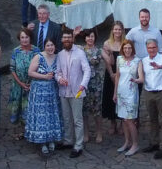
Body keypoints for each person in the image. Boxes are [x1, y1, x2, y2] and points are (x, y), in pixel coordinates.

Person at [138, 37, 162, 158]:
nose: (152, 49)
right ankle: (154, 143)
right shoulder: (144, 60)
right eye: (149, 48)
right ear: (146, 48)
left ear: (157, 47)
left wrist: (161, 66)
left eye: (154, 47)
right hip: (149, 92)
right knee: (152, 119)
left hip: (161, 92)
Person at [54, 28, 91, 158]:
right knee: (66, 118)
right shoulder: (59, 55)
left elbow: (87, 70)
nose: (67, 40)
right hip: (64, 91)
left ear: (72, 39)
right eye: (65, 38)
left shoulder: (80, 53)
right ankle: (68, 141)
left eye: (69, 38)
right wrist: (59, 79)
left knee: (77, 120)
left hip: (77, 91)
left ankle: (78, 145)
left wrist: (83, 84)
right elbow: (57, 72)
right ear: (62, 40)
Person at [25, 38, 65, 154]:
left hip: (53, 91)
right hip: (39, 92)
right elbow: (30, 72)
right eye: (48, 45)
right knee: (42, 115)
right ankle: (42, 142)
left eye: (52, 45)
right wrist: (44, 77)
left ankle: (51, 139)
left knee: (52, 115)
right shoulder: (38, 56)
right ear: (44, 47)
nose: (50, 48)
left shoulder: (57, 57)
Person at [114, 38, 141, 156]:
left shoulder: (137, 61)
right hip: (121, 93)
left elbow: (142, 78)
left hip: (131, 94)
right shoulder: (119, 60)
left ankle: (135, 144)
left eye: (129, 48)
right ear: (122, 49)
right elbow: (117, 77)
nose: (127, 50)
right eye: (125, 48)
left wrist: (136, 80)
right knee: (124, 120)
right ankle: (127, 142)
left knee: (130, 120)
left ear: (132, 49)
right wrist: (115, 93)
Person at [79, 29, 106, 145]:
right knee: (84, 109)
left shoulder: (99, 51)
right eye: (88, 37)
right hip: (84, 83)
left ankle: (99, 132)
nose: (90, 38)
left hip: (96, 83)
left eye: (92, 36)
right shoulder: (80, 50)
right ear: (85, 38)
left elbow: (108, 60)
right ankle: (86, 133)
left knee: (97, 109)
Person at [100, 23, 127, 126]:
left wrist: (119, 74)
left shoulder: (125, 42)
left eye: (119, 29)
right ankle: (113, 123)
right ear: (112, 30)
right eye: (115, 29)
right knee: (111, 96)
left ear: (122, 31)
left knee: (122, 96)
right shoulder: (107, 43)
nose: (117, 32)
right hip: (111, 71)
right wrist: (111, 74)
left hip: (123, 72)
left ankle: (121, 123)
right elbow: (108, 62)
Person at [8, 29, 35, 128]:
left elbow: (39, 68)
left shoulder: (36, 51)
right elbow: (12, 69)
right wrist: (20, 83)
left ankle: (29, 130)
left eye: (26, 37)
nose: (24, 40)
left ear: (30, 38)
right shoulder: (15, 51)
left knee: (29, 110)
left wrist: (30, 84)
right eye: (22, 37)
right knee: (18, 111)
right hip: (18, 85)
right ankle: (21, 130)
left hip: (31, 86)